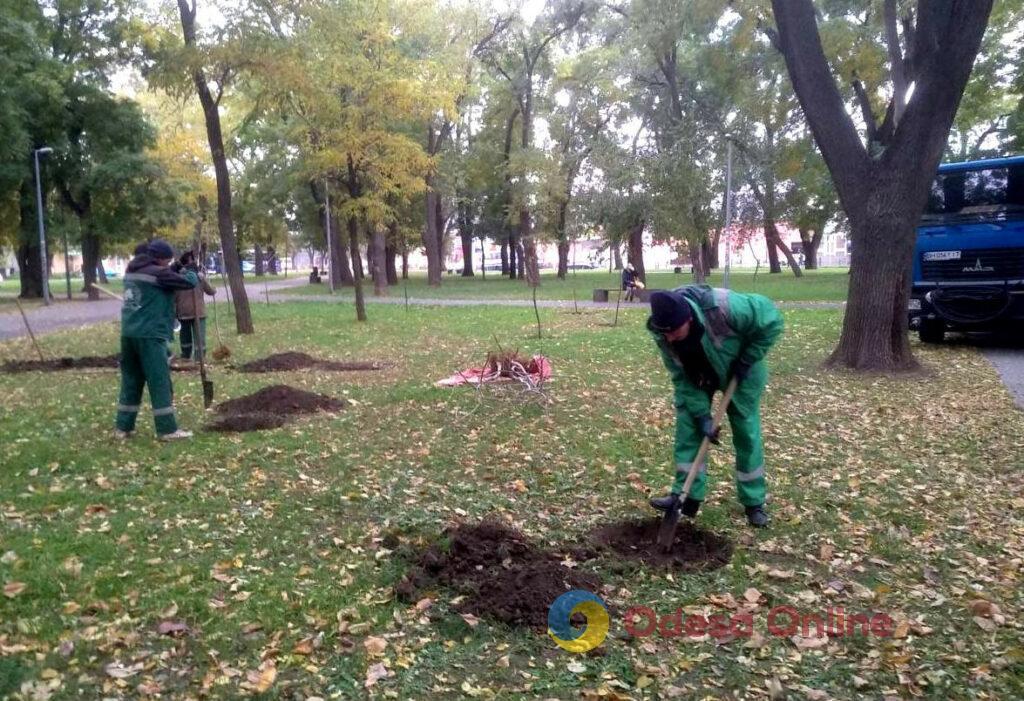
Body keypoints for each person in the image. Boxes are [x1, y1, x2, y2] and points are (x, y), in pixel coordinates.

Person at [646, 286, 783, 527]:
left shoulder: (723, 306)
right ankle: (686, 497)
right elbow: (681, 376)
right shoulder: (664, 333)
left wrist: (749, 358)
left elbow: (772, 320)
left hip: (742, 371)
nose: (669, 338)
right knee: (689, 428)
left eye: (674, 333)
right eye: (664, 334)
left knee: (746, 433)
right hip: (698, 376)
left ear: (688, 318)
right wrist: (702, 416)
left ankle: (754, 503)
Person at [114, 239, 198, 441]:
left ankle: (123, 428)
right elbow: (189, 282)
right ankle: (167, 429)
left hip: (129, 334)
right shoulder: (159, 273)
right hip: (150, 335)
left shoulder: (133, 270)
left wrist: (177, 266)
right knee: (159, 380)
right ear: (159, 259)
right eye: (167, 261)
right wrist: (191, 270)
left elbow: (165, 276)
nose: (168, 265)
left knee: (131, 380)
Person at [174, 251, 216, 364]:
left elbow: (210, 291)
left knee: (191, 338)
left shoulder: (178, 277)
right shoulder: (194, 277)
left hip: (189, 312)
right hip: (192, 313)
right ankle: (195, 359)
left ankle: (191, 358)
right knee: (195, 338)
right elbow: (211, 291)